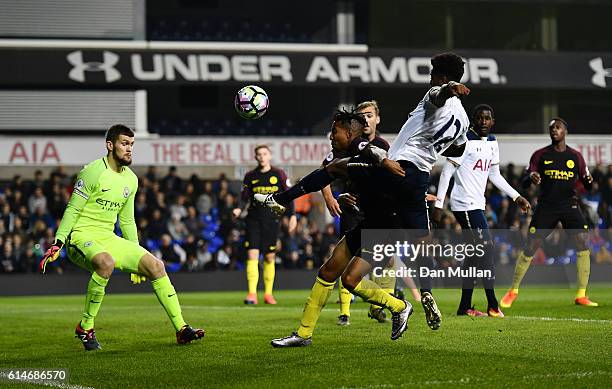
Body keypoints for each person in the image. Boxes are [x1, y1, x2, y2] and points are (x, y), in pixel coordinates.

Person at [261, 53, 472, 342]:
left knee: (334, 168)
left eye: (434, 73)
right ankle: (402, 305)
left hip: (399, 174)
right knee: (343, 273)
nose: (430, 78)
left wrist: (448, 89)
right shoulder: (463, 118)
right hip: (404, 192)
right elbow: (458, 151)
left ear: (442, 76)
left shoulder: (436, 94)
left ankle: (280, 199)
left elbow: (438, 94)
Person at [39, 124, 205, 350]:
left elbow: (126, 221)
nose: (129, 149)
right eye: (124, 144)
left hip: (107, 237)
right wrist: (59, 241)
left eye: (132, 145)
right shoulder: (92, 172)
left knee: (156, 265)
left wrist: (137, 256)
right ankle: (85, 327)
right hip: (80, 236)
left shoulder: (131, 180)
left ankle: (182, 329)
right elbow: (72, 210)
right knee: (106, 263)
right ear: (110, 145)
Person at [433, 104, 530, 317]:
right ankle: (493, 304)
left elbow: (494, 175)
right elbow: (446, 172)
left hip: (477, 205)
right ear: (474, 120)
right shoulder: (463, 139)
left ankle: (464, 306)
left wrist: (516, 196)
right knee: (485, 250)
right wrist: (439, 205)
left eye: (488, 118)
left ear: (493, 121)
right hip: (464, 205)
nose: (484, 121)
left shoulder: (493, 143)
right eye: (480, 118)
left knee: (473, 256)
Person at [500, 118, 598, 308]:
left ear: (565, 131)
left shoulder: (576, 156)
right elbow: (525, 182)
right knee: (530, 246)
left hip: (569, 204)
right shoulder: (540, 155)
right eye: (552, 128)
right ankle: (513, 291)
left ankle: (581, 294)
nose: (554, 130)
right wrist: (531, 177)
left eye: (558, 127)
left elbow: (588, 185)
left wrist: (588, 180)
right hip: (547, 206)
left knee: (582, 242)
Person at [320, 100, 401, 326]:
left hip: (379, 214)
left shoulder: (386, 147)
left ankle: (379, 306)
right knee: (343, 259)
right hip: (353, 210)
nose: (365, 119)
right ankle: (345, 312)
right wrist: (331, 198)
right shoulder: (347, 144)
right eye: (361, 115)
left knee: (387, 260)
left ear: (377, 119)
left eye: (369, 114)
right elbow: (324, 171)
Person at [233, 145, 297, 305]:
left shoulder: (279, 174)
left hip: (272, 221)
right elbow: (243, 197)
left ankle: (268, 294)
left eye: (264, 154)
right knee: (252, 255)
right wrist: (238, 209)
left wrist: (292, 216)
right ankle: (252, 294)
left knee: (269, 257)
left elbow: (289, 196)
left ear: (269, 156)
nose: (261, 157)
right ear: (256, 157)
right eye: (259, 154)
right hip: (253, 220)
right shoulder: (250, 176)